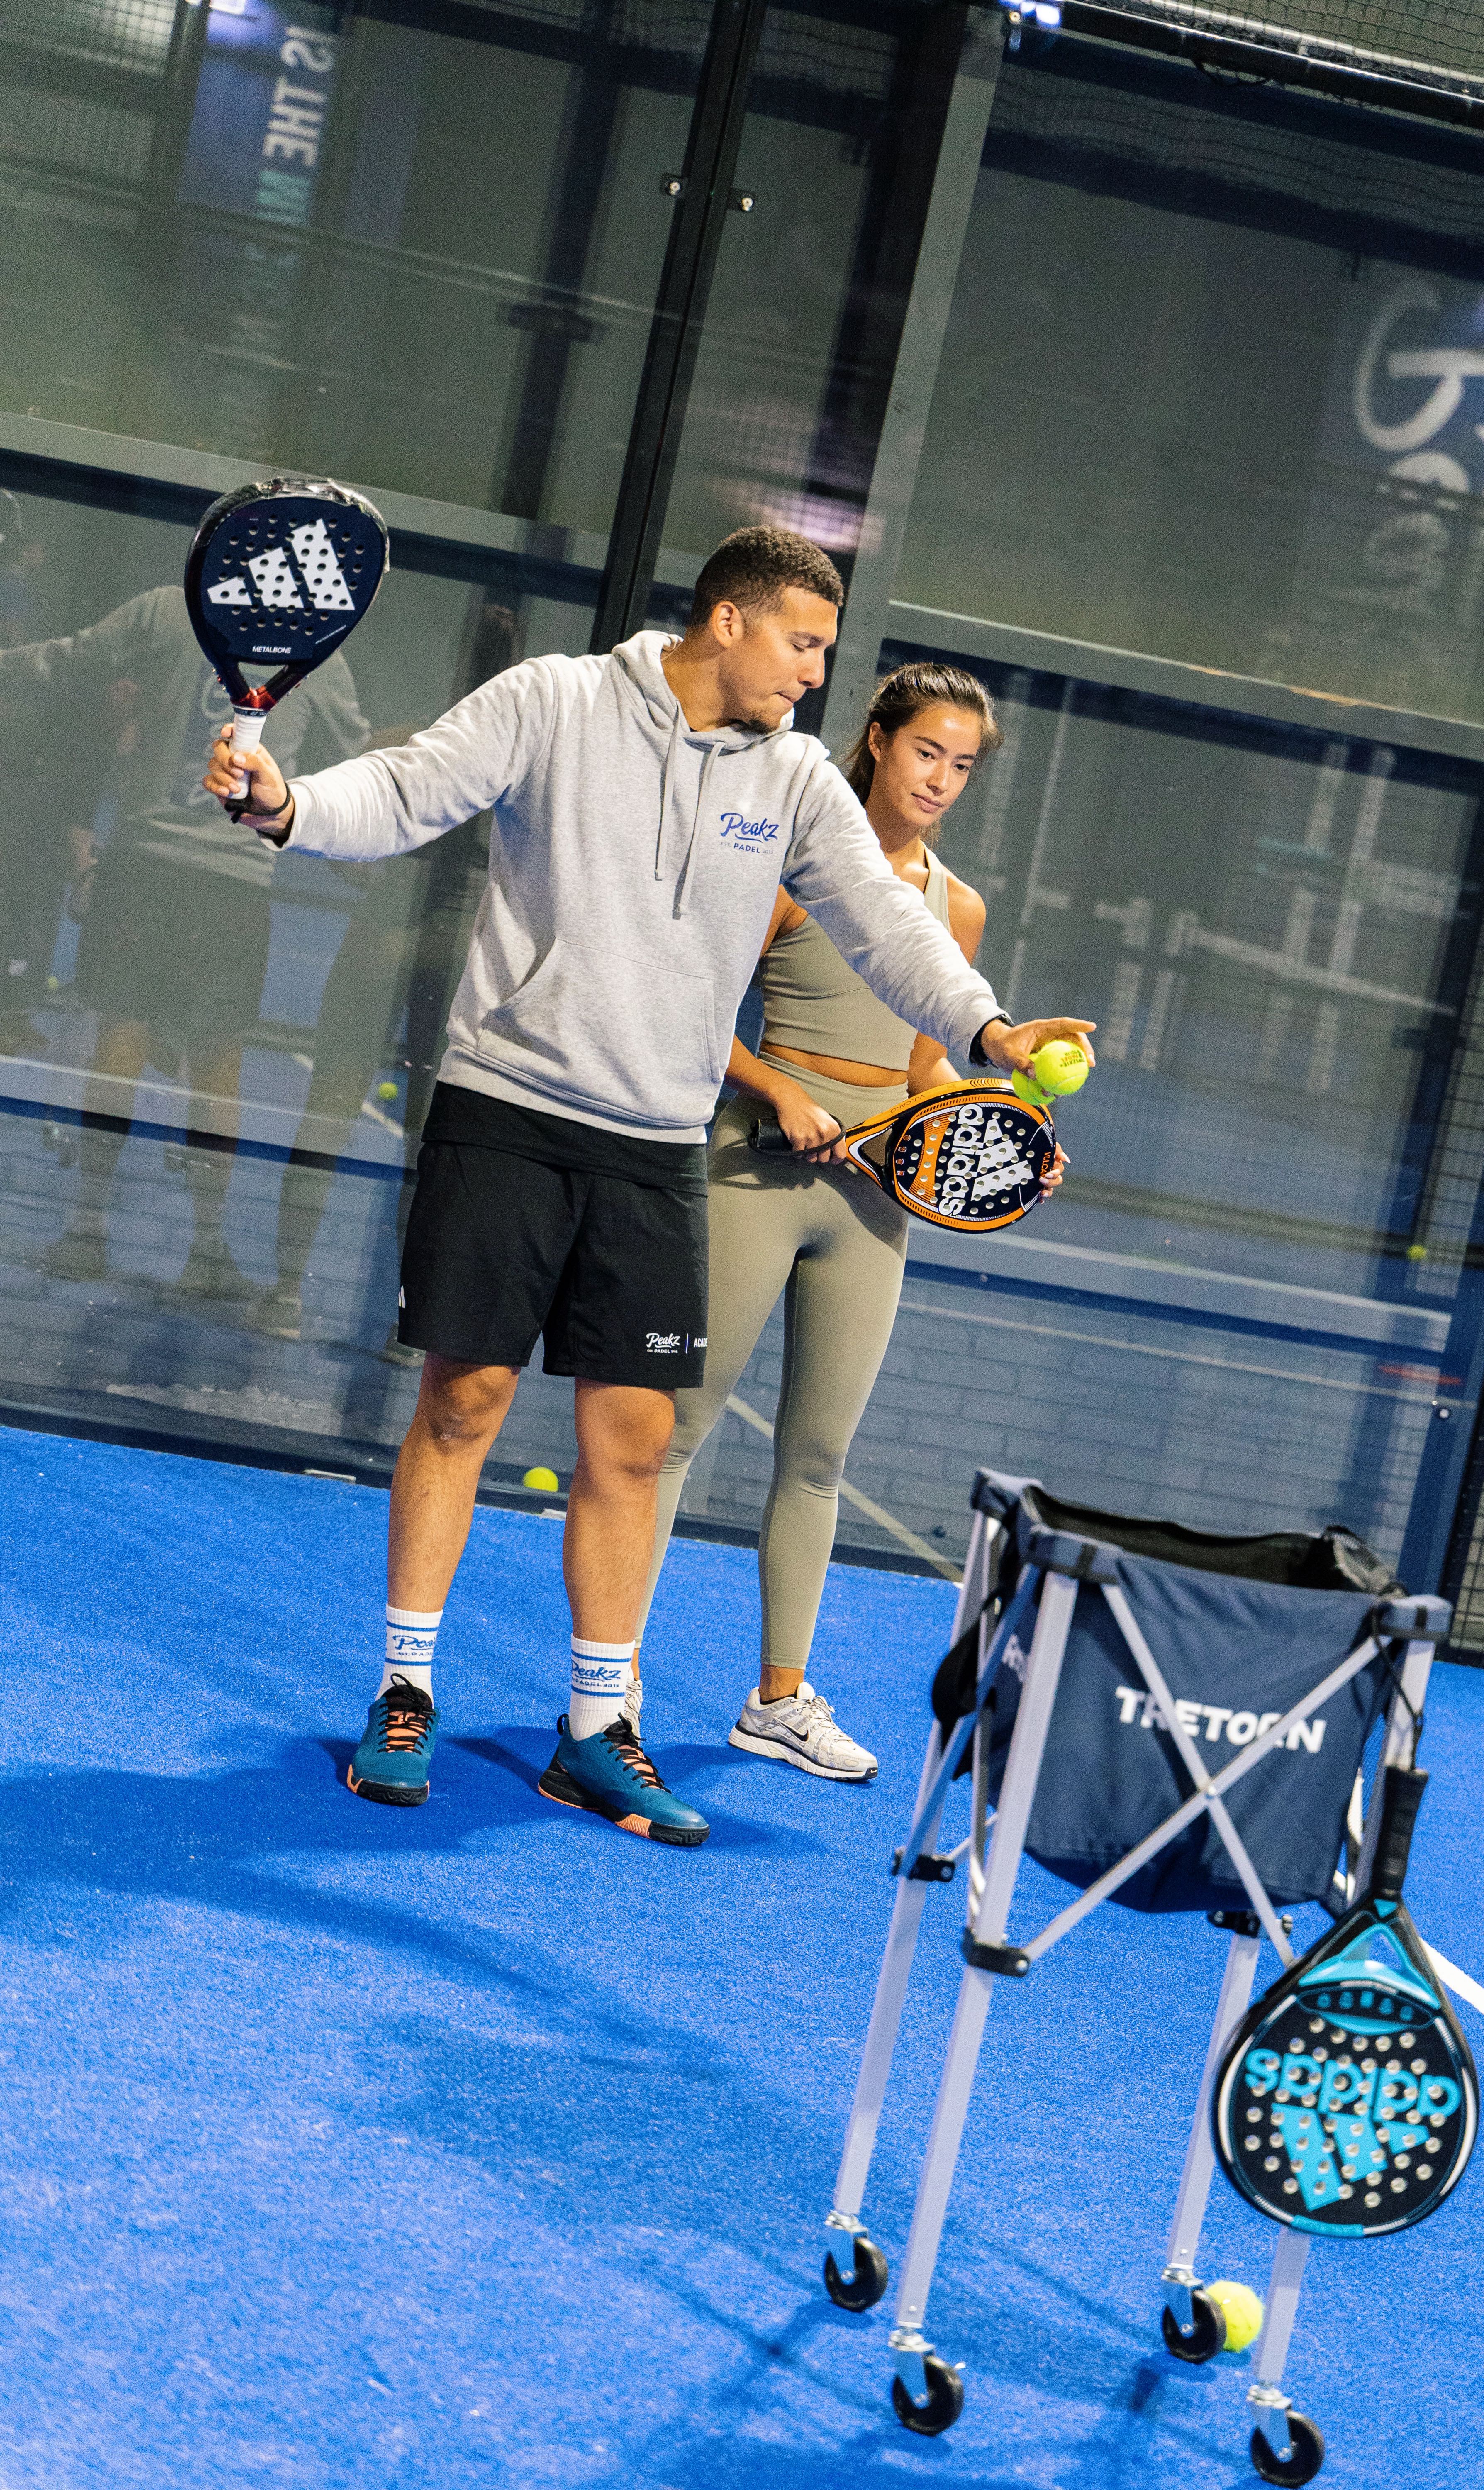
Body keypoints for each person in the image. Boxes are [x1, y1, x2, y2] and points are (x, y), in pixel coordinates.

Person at [204, 525, 1094, 1852]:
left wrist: (988, 1031)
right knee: (467, 1402)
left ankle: (594, 1731)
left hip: (658, 1146)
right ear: (728, 622)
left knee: (630, 1443)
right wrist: (286, 804)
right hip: (507, 1109)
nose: (813, 677)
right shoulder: (555, 701)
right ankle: (404, 1693)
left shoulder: (795, 778)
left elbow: (886, 923)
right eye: (801, 644)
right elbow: (403, 791)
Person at [638, 662, 1052, 1783]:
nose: (944, 781)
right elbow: (692, 1013)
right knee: (677, 1431)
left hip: (873, 1198)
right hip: (752, 1167)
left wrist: (992, 1152)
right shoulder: (787, 862)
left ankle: (778, 1700)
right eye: (928, 753)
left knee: (818, 1458)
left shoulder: (955, 907)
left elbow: (929, 1069)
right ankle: (610, 1679)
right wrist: (780, 1095)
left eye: (964, 767)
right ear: (876, 740)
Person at [0, 584, 368, 1291]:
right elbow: (354, 755)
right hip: (232, 885)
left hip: (143, 869)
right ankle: (204, 1249)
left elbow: (68, 662)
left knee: (123, 1038)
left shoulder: (168, 608)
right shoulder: (319, 647)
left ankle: (87, 1228)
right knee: (216, 1059)